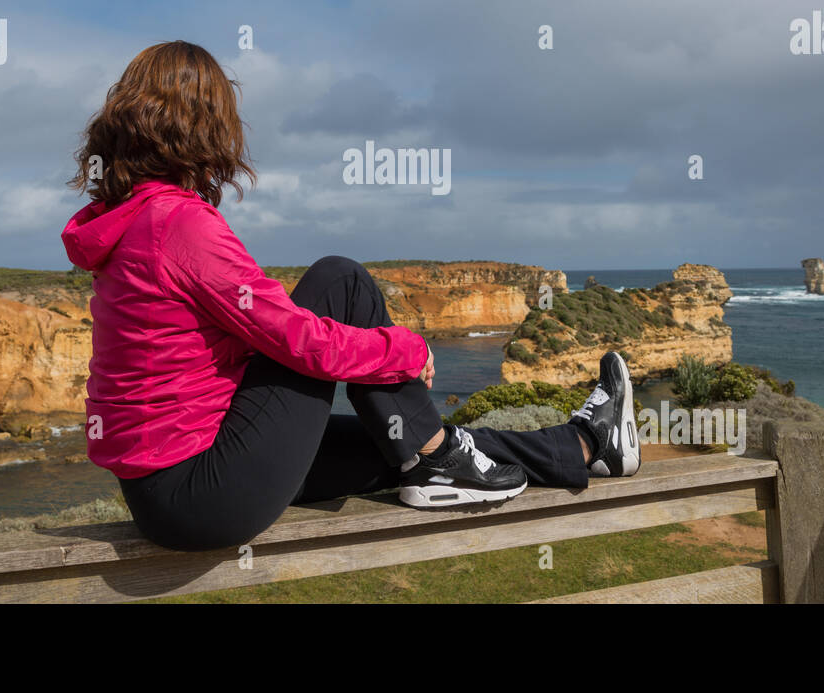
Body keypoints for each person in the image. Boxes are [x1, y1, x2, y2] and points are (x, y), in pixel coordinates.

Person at [61, 40, 640, 552]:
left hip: (164, 490)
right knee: (340, 279)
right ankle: (439, 463)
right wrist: (406, 349)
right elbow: (299, 339)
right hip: (202, 492)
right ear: (204, 127)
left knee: (397, 443)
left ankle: (588, 445)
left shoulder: (124, 225)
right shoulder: (177, 224)